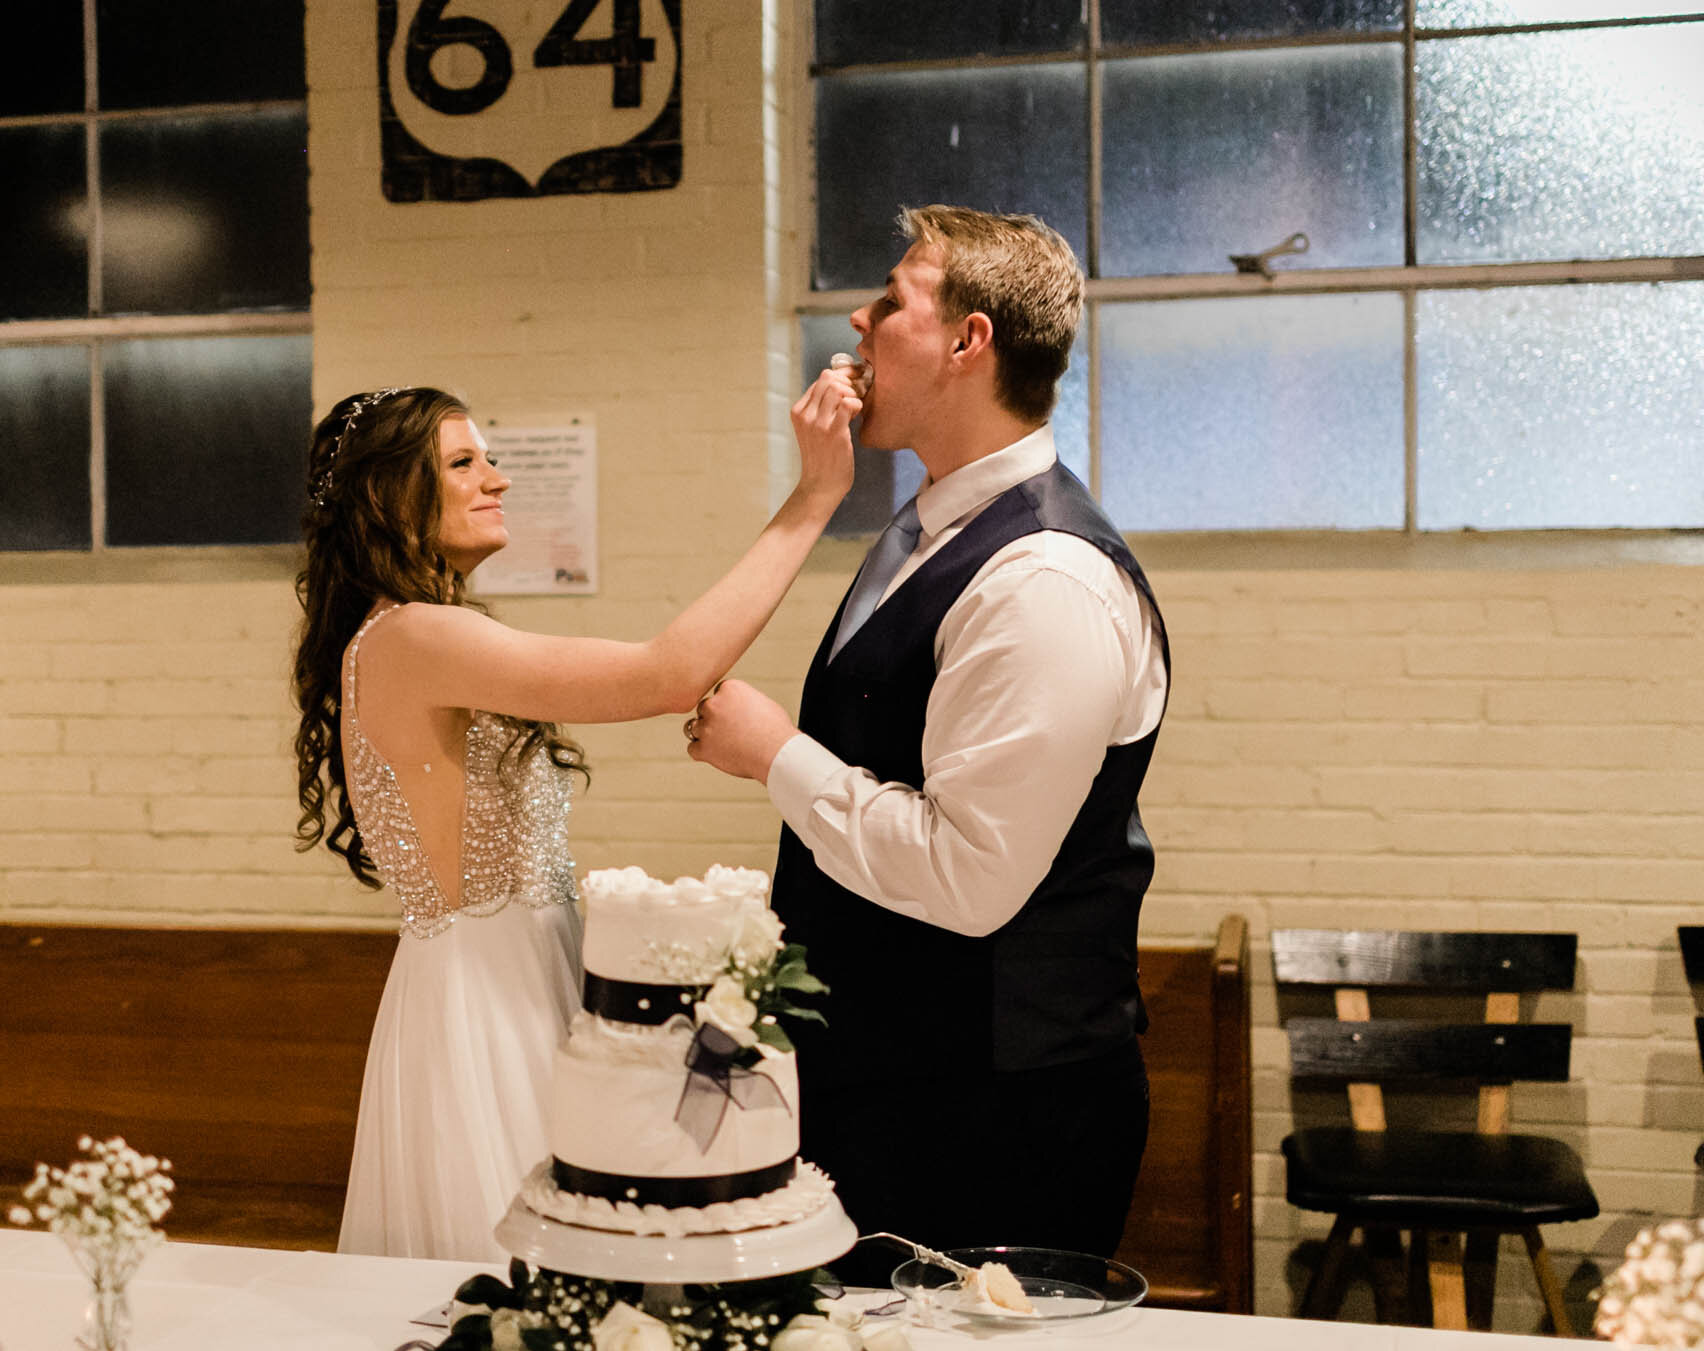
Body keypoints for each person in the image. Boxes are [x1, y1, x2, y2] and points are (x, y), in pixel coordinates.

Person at [687, 205, 1171, 1284]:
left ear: (968, 341)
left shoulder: (1041, 578)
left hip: (994, 1111)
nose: (855, 320)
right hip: (887, 1085)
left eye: (892, 299)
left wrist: (773, 752)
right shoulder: (917, 531)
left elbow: (968, 880)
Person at [293, 383, 854, 1261]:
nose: (498, 479)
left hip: (524, 973)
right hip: (489, 1003)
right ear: (385, 495)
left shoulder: (410, 634)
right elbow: (669, 672)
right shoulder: (412, 636)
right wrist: (813, 496)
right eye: (464, 462)